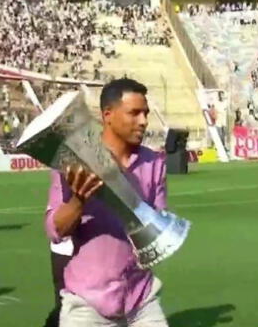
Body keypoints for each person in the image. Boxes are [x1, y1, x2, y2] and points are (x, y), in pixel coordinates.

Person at [44, 78, 169, 327]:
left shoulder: (154, 162)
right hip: (87, 303)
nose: (143, 121)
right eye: (134, 113)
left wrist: (127, 193)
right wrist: (79, 200)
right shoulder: (72, 161)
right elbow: (54, 230)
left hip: (141, 298)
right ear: (108, 115)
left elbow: (158, 231)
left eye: (145, 113)